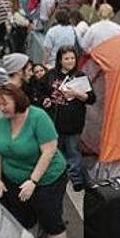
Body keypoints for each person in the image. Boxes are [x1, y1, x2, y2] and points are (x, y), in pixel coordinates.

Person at [0, 85, 78, 238]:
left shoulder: (38, 118)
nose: (1, 108)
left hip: (47, 177)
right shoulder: (2, 123)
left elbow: (49, 151)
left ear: (18, 101)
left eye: (5, 103)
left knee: (51, 220)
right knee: (22, 219)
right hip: (15, 179)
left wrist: (33, 181)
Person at [44, 46, 96, 191]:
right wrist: (45, 100)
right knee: (56, 150)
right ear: (60, 60)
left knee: (73, 151)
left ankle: (76, 179)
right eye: (67, 58)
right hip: (54, 121)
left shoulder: (80, 76)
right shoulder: (51, 75)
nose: (70, 61)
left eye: (72, 58)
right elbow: (40, 90)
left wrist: (77, 94)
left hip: (74, 122)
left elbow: (91, 98)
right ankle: (57, 176)